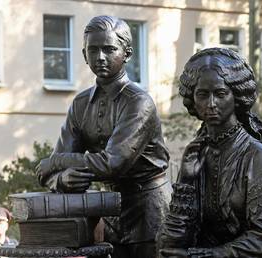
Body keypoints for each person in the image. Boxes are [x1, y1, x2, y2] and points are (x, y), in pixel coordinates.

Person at [36, 15, 170, 258]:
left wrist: (56, 163)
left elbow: (112, 162)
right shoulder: (80, 104)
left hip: (150, 215)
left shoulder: (139, 102)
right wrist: (62, 180)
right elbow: (48, 173)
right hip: (110, 212)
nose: (100, 57)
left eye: (109, 49)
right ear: (84, 54)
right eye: (93, 50)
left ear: (127, 53)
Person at [158, 48, 262, 257]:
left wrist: (214, 255)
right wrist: (185, 179)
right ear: (193, 98)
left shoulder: (258, 157)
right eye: (202, 95)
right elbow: (170, 243)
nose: (211, 104)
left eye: (220, 94)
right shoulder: (196, 154)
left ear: (236, 96)